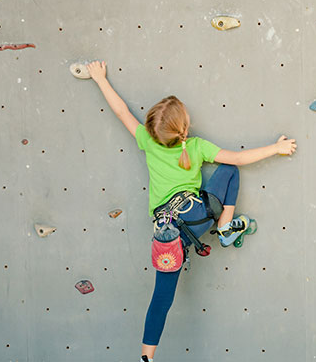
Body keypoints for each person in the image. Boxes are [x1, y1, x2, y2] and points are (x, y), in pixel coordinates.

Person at [86, 61, 297, 361]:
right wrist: (275, 149)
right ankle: (225, 227)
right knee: (229, 170)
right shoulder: (196, 147)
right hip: (199, 218)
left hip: (170, 235)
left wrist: (99, 79)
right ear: (185, 129)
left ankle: (146, 358)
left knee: (161, 298)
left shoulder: (147, 141)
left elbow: (121, 112)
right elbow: (237, 158)